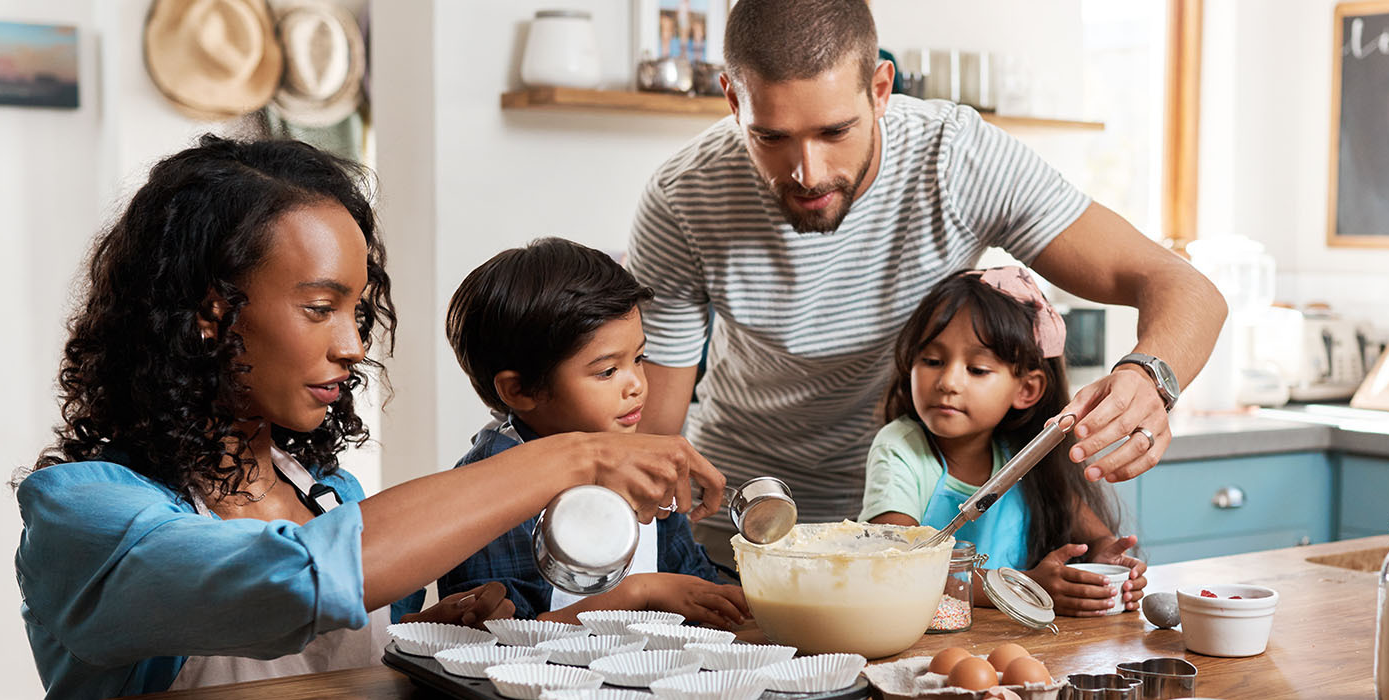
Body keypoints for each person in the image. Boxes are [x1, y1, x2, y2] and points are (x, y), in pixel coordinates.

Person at [13, 136, 721, 699]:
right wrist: (577, 457)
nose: (353, 346)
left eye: (357, 311)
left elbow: (346, 649)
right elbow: (293, 581)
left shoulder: (330, 495)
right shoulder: (84, 521)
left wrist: (427, 636)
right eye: (320, 308)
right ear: (210, 314)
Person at [626, 0, 1227, 564]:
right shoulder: (685, 198)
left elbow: (1181, 286)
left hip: (919, 530)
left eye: (835, 132)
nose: (806, 173)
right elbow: (654, 431)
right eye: (771, 137)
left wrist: (1151, 376)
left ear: (881, 89)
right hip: (745, 528)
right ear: (733, 100)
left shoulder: (957, 160)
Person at [391, 238, 748, 627]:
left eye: (639, 358)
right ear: (521, 390)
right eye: (608, 371)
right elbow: (501, 636)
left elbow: (693, 582)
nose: (637, 385)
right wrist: (639, 593)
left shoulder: (644, 462)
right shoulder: (489, 490)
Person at [861, 268, 1148, 616]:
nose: (948, 382)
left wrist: (1105, 559)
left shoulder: (1024, 456)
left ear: (1027, 389)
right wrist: (1024, 587)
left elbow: (1095, 536)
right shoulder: (901, 449)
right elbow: (899, 561)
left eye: (977, 369)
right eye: (932, 361)